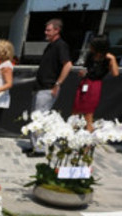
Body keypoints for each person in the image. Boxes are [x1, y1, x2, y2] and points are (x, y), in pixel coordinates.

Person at [26, 18, 72, 157]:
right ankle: (35, 146)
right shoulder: (50, 46)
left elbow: (68, 65)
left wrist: (57, 84)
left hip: (48, 88)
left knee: (39, 120)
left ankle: (39, 149)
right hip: (40, 87)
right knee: (35, 118)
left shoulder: (60, 46)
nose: (46, 32)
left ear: (57, 30)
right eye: (46, 30)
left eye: (49, 30)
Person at [71, 35, 118, 132]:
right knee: (76, 109)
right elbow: (86, 69)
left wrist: (113, 59)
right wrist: (83, 73)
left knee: (88, 112)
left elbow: (115, 73)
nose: (90, 46)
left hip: (94, 85)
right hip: (85, 82)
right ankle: (72, 132)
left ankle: (88, 140)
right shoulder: (90, 56)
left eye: (92, 45)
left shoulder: (108, 59)